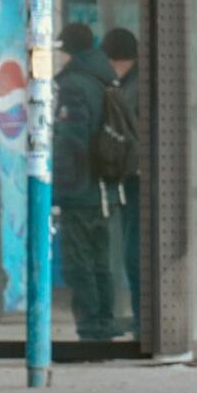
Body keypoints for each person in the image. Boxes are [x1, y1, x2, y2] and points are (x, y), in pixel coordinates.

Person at [53, 22, 117, 341]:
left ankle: (91, 328)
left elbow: (71, 141)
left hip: (80, 190)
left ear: (69, 52)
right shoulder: (100, 77)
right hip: (101, 188)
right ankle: (104, 322)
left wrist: (58, 188)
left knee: (79, 261)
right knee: (99, 260)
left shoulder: (74, 85)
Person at [101, 27, 141, 337]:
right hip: (134, 180)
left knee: (133, 252)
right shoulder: (128, 85)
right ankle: (141, 320)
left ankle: (142, 321)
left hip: (136, 181)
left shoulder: (130, 89)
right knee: (130, 249)